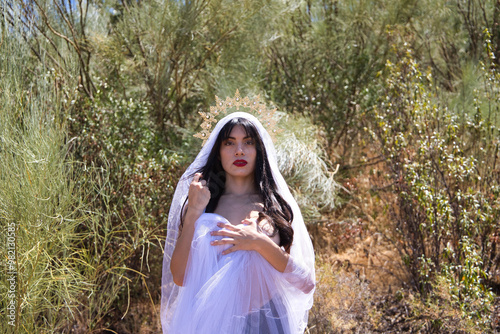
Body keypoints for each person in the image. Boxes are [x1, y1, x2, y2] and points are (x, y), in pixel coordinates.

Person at [160, 106, 315, 334]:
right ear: (218, 151)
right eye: (229, 143)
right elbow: (180, 277)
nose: (239, 151)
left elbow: (305, 282)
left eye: (248, 142)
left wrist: (258, 242)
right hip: (210, 325)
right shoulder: (202, 206)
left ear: (259, 150)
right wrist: (193, 211)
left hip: (266, 323)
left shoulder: (275, 208)